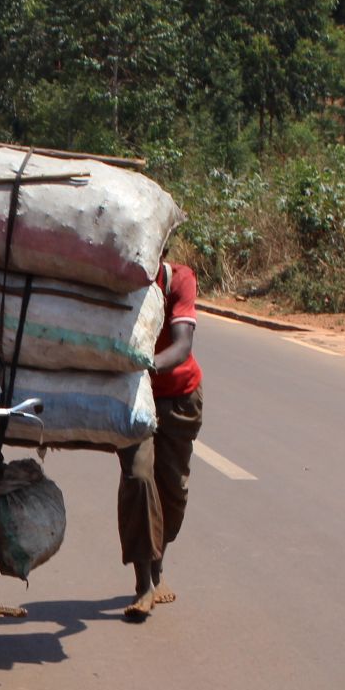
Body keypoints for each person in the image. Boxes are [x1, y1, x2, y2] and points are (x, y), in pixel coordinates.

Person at [116, 259, 203, 622]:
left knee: (173, 491)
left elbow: (182, 345)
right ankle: (143, 585)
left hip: (181, 396)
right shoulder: (116, 279)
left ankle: (158, 563)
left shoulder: (179, 280)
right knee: (138, 478)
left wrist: (144, 364)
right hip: (134, 397)